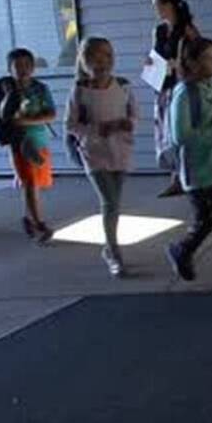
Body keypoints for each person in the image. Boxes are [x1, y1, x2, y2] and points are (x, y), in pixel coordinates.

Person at [164, 37, 212, 286]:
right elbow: (180, 135)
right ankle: (182, 249)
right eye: (210, 57)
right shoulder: (185, 93)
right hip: (198, 171)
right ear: (192, 62)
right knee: (206, 220)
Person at [65, 37, 138, 276]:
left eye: (107, 55)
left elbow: (134, 113)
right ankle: (114, 252)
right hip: (94, 152)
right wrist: (97, 130)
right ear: (84, 61)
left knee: (114, 203)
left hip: (120, 150)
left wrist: (128, 124)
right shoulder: (80, 90)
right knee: (109, 202)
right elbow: (71, 124)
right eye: (95, 57)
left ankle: (109, 247)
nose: (102, 61)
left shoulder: (123, 85)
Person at [0, 49, 56, 244]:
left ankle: (28, 218)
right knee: (30, 183)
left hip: (39, 139)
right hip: (19, 143)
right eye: (17, 66)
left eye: (26, 65)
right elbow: (3, 118)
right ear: (9, 69)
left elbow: (51, 115)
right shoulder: (4, 89)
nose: (22, 70)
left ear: (32, 68)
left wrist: (27, 121)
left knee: (38, 184)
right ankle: (40, 223)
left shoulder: (40, 89)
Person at [150, 0, 200, 198]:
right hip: (163, 84)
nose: (158, 10)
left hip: (181, 82)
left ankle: (186, 174)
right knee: (165, 130)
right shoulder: (159, 30)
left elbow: (199, 54)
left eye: (160, 5)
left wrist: (181, 65)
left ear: (170, 5)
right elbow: (154, 55)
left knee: (180, 128)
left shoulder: (187, 30)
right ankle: (174, 175)